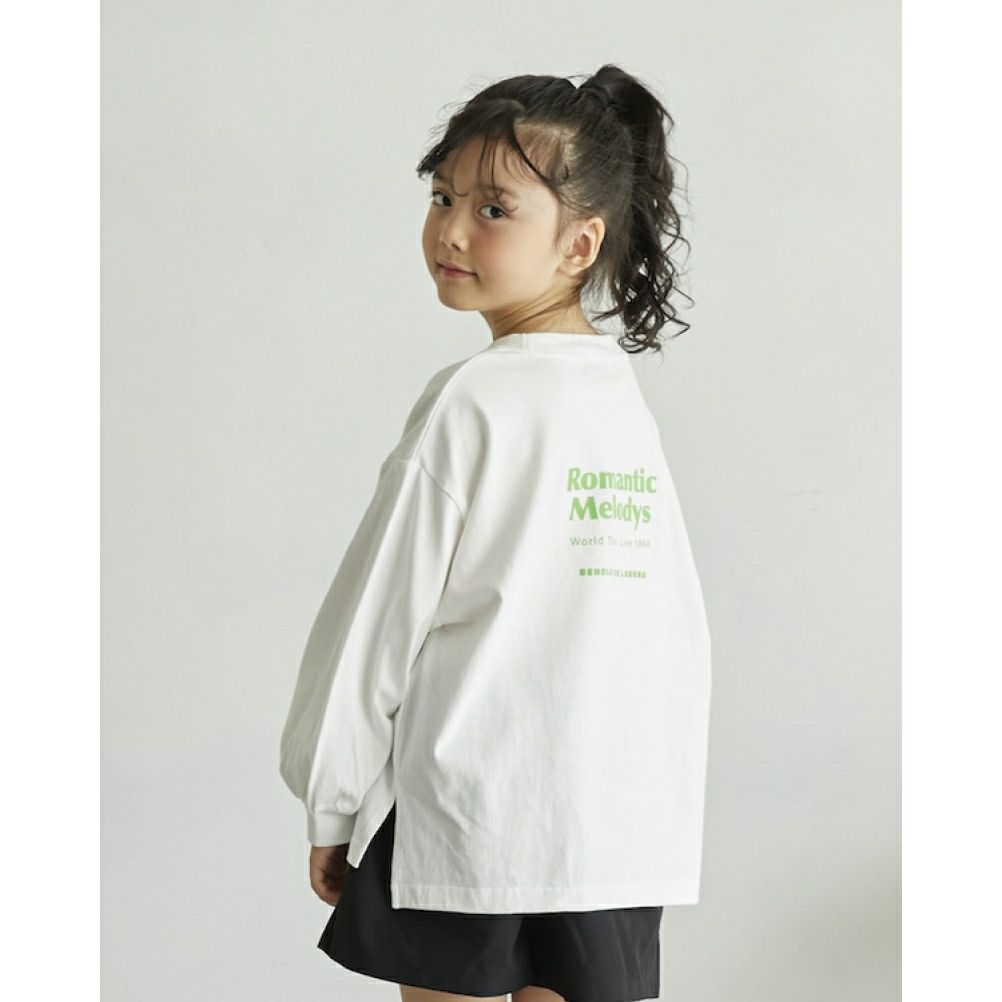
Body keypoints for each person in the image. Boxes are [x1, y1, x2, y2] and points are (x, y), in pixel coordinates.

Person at [278, 63, 712, 1002]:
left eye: (494, 208)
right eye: (442, 197)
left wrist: (333, 799)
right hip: (612, 833)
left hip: (475, 814)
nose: (451, 229)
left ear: (579, 244)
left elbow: (377, 616)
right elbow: (671, 633)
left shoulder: (474, 400)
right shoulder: (619, 405)